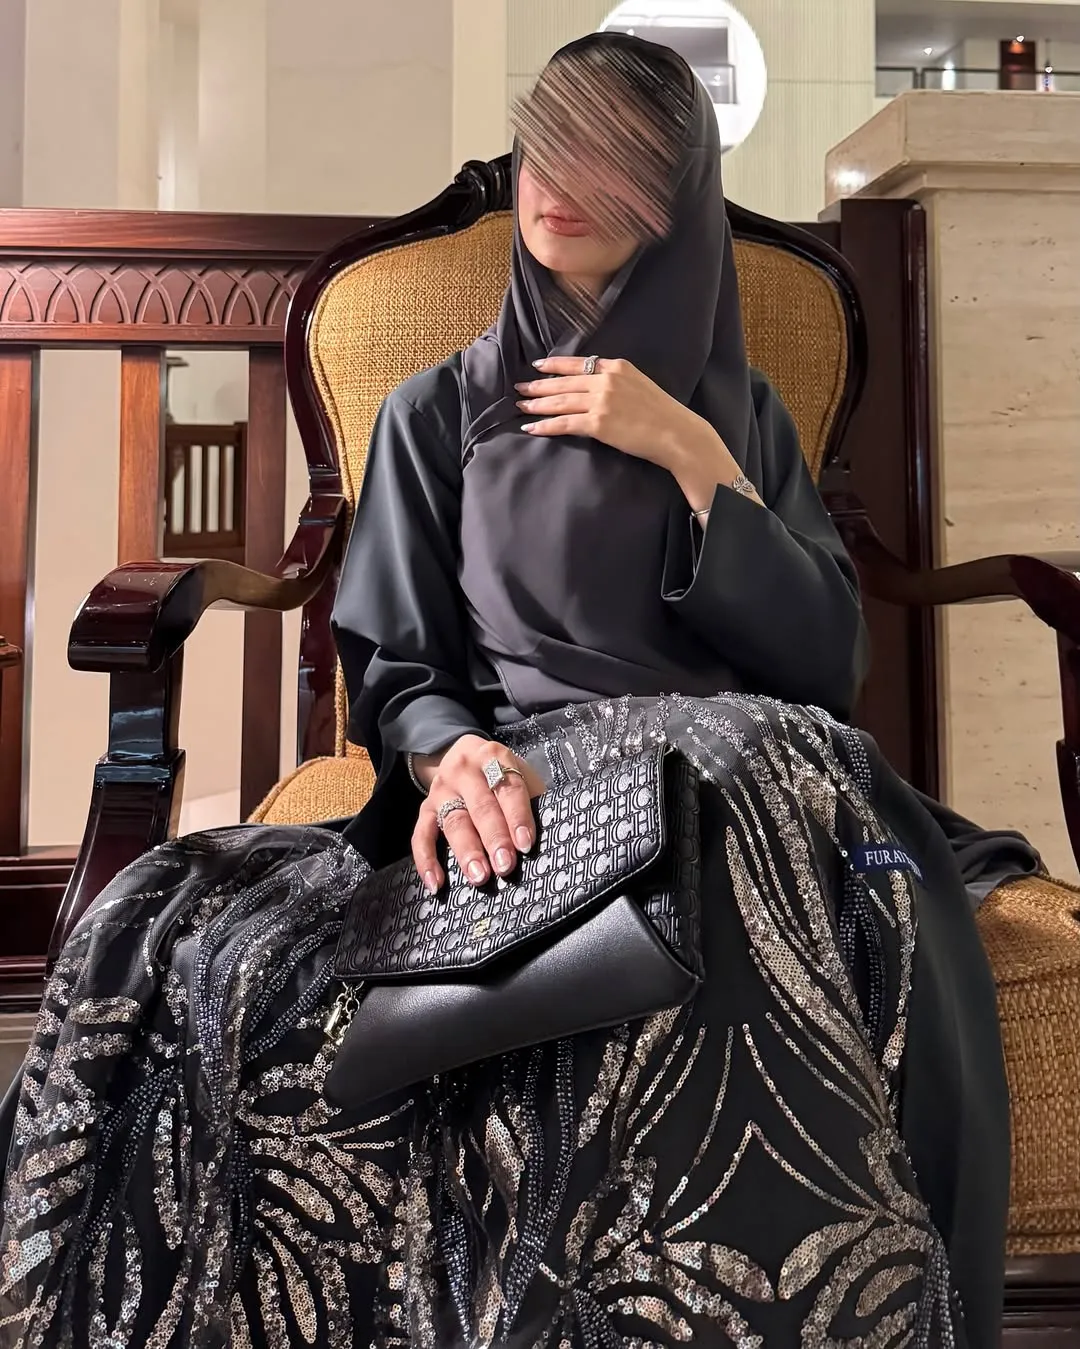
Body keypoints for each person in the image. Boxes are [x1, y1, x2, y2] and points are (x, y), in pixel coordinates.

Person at [0, 33, 1041, 1349]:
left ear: (672, 198)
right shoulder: (437, 413)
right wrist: (453, 757)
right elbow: (398, 661)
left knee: (735, 793)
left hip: (746, 768)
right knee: (176, 935)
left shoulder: (745, 419)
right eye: (548, 145)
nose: (556, 183)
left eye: (607, 157)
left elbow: (827, 663)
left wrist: (688, 452)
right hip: (533, 772)